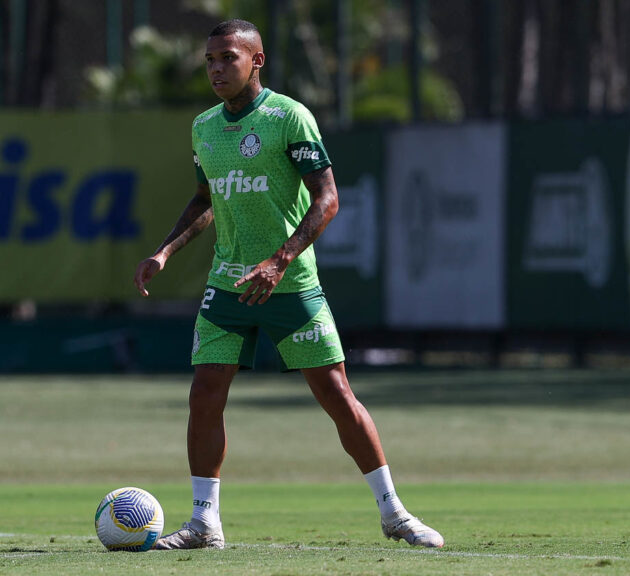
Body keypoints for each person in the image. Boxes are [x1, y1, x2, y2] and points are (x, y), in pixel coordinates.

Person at [133, 18, 443, 551]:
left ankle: (395, 513)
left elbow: (328, 198)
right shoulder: (204, 127)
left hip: (290, 284)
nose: (215, 68)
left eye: (227, 57)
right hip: (227, 286)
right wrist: (164, 251)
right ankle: (205, 523)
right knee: (205, 394)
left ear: (257, 61)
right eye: (209, 59)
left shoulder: (287, 116)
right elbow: (205, 199)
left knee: (337, 395)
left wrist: (279, 261)